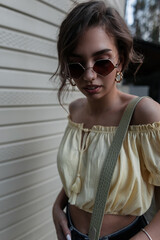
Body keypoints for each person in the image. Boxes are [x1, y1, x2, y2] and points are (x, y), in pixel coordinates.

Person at [52, 1, 160, 240]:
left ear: (120, 60)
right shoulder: (76, 110)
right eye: (76, 66)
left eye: (102, 62)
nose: (89, 75)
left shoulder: (145, 115)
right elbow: (82, 173)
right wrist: (58, 207)